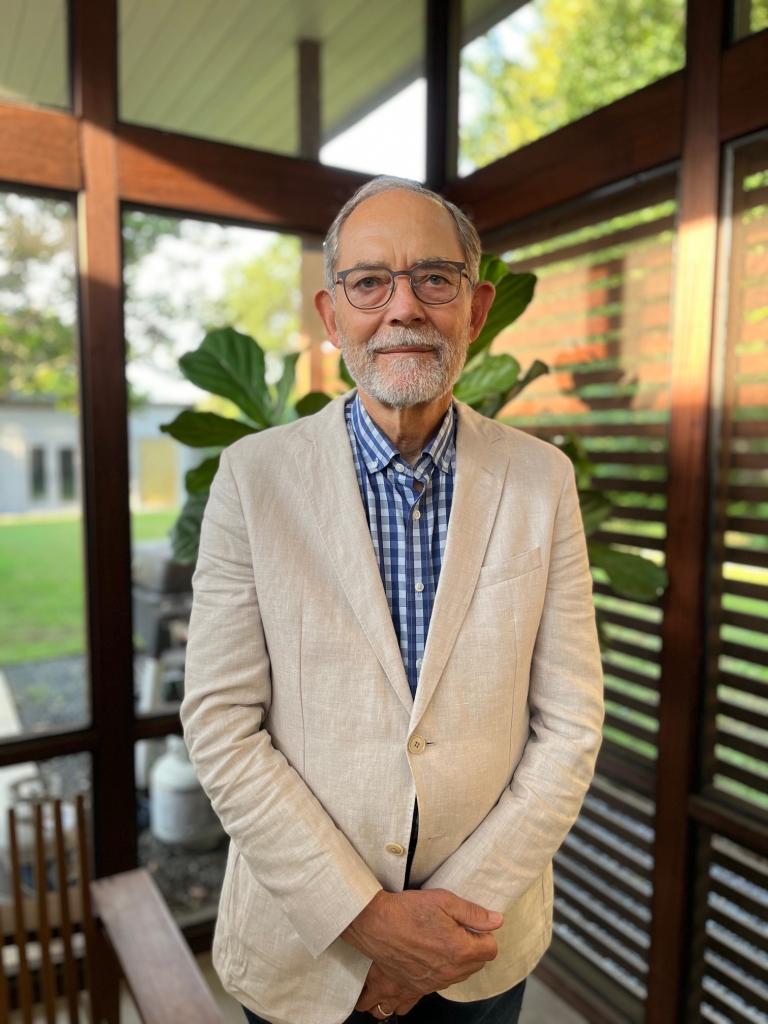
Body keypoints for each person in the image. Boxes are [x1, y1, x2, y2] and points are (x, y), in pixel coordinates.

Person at [181, 176, 604, 1024]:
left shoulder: (540, 479)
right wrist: (370, 922)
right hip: (308, 945)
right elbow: (222, 724)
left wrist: (439, 931)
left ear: (476, 308)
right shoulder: (254, 480)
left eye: (434, 279)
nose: (402, 307)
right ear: (332, 316)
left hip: (478, 946)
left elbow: (570, 723)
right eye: (369, 282)